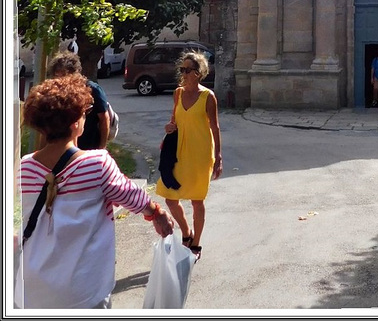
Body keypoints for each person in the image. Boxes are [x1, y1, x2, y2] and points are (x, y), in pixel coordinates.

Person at [15, 74, 173, 308]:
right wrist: (156, 213)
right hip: (84, 291)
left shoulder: (25, 166)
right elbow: (130, 195)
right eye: (83, 113)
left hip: (31, 290)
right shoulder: (96, 163)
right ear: (75, 122)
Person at [155, 51, 222, 258]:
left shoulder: (208, 97)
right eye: (181, 69)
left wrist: (218, 157)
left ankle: (196, 244)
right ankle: (186, 232)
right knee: (169, 197)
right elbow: (174, 120)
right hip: (179, 151)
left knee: (196, 200)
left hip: (200, 153)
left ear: (198, 73)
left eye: (187, 70)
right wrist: (169, 128)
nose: (182, 73)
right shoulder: (178, 93)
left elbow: (215, 127)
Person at [48, 51, 109, 150]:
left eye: (63, 74)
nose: (60, 79)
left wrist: (102, 147)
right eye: (57, 75)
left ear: (74, 72)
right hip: (65, 148)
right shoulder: (57, 92)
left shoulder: (93, 89)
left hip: (89, 146)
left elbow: (104, 119)